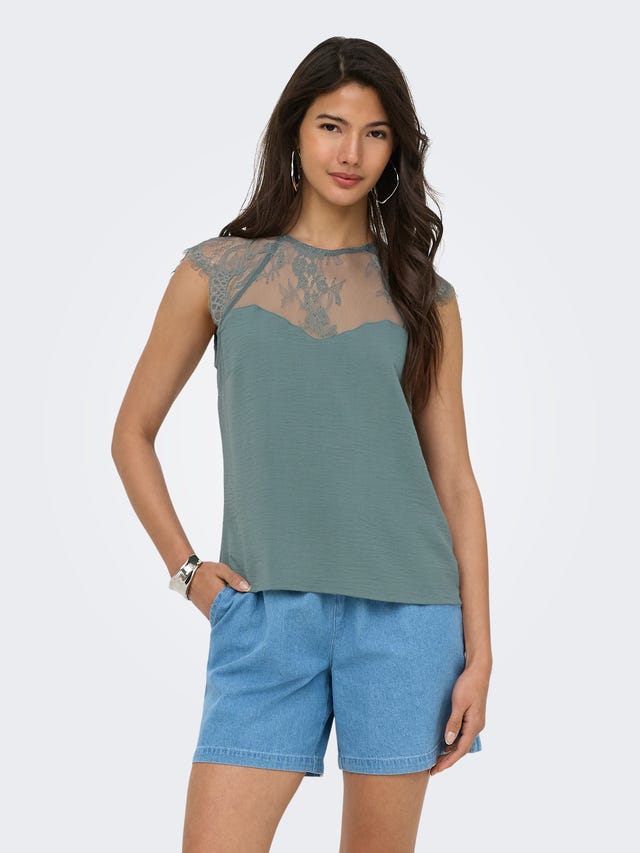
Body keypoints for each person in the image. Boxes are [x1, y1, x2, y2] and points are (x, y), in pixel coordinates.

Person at [111, 35, 492, 853]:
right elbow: (131, 433)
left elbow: (455, 479)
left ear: (395, 149)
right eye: (331, 126)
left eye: (375, 133)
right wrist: (187, 572)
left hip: (407, 617)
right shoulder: (218, 271)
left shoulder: (423, 293)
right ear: (293, 130)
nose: (350, 153)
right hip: (263, 613)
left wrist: (480, 654)